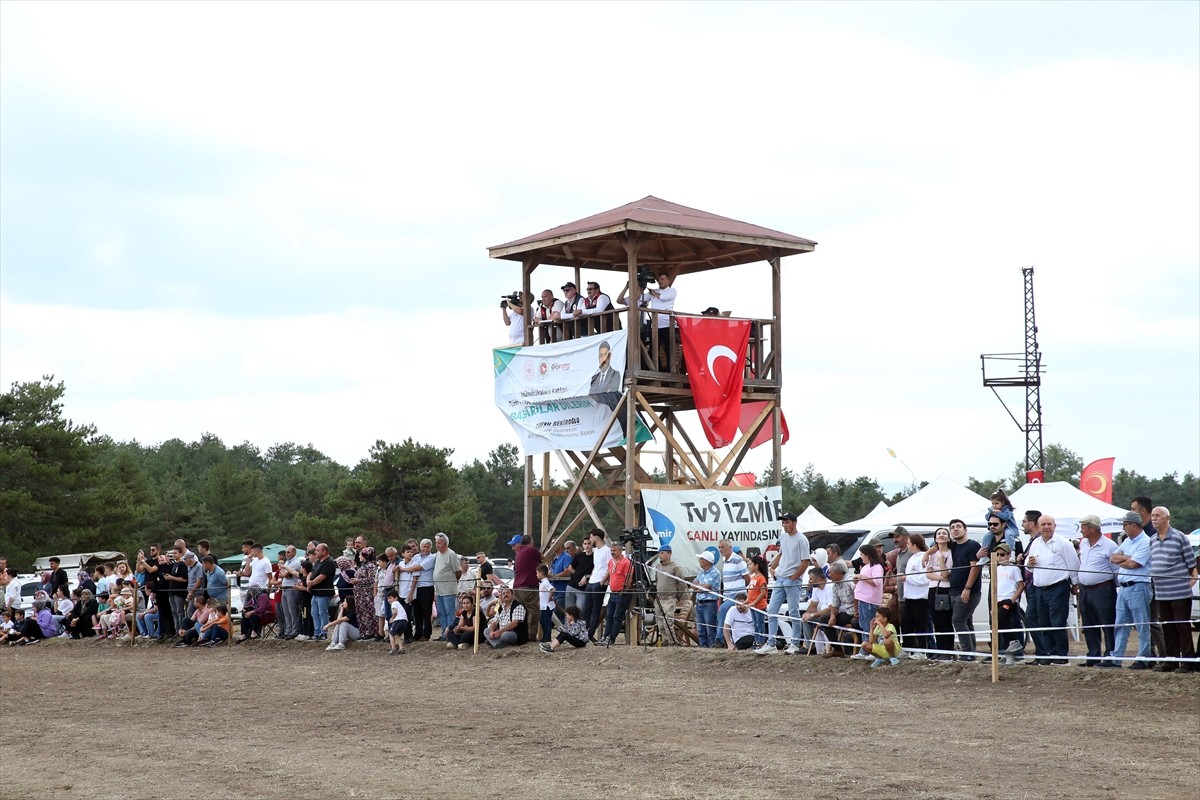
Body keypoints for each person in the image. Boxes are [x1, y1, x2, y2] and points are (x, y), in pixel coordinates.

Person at [1148, 506, 1197, 672]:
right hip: (1161, 592)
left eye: (1158, 516)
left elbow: (1192, 565)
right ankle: (1171, 660)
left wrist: (1188, 584)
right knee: (1167, 626)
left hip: (1179, 592)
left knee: (1182, 626)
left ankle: (1189, 661)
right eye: (1153, 515)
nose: (1154, 518)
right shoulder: (1152, 539)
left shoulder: (1179, 537)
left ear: (1167, 518)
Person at [1025, 514, 1079, 666]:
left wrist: (1075, 584)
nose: (1046, 527)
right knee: (1044, 622)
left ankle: (1061, 656)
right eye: (1043, 525)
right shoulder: (1036, 543)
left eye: (1049, 524)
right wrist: (1030, 562)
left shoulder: (1063, 543)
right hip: (1039, 589)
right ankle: (1049, 653)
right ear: (1039, 527)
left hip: (1058, 587)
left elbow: (1073, 565)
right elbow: (1028, 567)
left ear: (1055, 526)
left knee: (1057, 622)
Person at [755, 512, 811, 656]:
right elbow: (781, 553)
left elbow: (805, 562)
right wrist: (772, 566)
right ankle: (771, 643)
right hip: (780, 578)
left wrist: (794, 577)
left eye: (787, 522)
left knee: (793, 611)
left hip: (792, 580)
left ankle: (795, 643)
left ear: (794, 523)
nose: (785, 525)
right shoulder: (783, 537)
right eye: (783, 523)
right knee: (771, 610)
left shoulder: (802, 539)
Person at [1106, 511, 1154, 670]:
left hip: (1139, 586)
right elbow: (1113, 557)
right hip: (1124, 589)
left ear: (1134, 525)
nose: (1123, 527)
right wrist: (1128, 558)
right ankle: (1116, 658)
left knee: (1142, 625)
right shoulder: (1127, 541)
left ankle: (1143, 658)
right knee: (1120, 625)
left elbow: (1135, 564)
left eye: (1125, 524)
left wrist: (1126, 559)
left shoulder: (1146, 542)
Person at [1076, 514, 1118, 667]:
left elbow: (1116, 569)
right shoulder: (1083, 543)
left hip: (1103, 589)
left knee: (1107, 623)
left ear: (1093, 528)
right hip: (1085, 590)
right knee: (1088, 624)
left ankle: (1110, 656)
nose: (1081, 531)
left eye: (1084, 527)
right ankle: (1093, 656)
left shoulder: (1110, 545)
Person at [620, 270, 676, 370]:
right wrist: (637, 286)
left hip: (667, 325)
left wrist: (653, 292)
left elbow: (663, 298)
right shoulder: (653, 292)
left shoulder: (672, 291)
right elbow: (638, 299)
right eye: (659, 279)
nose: (660, 281)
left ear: (668, 280)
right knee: (653, 349)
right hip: (654, 325)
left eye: (662, 279)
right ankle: (656, 370)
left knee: (668, 349)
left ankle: (671, 371)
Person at [947, 518, 983, 662]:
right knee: (967, 622)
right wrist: (926, 553)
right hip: (954, 590)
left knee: (958, 621)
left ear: (965, 529)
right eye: (953, 527)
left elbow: (975, 567)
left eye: (958, 526)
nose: (955, 529)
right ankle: (971, 652)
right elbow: (938, 545)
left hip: (969, 591)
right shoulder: (954, 547)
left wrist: (967, 588)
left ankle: (967, 653)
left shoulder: (972, 545)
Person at [898, 533, 931, 660]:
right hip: (909, 596)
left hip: (920, 597)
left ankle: (922, 651)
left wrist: (907, 578)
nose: (907, 546)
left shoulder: (923, 557)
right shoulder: (912, 558)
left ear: (915, 545)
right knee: (906, 622)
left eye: (909, 543)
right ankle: (907, 649)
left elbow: (924, 578)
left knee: (920, 624)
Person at [992, 544, 1026, 664]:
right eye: (997, 555)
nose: (1000, 557)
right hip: (998, 600)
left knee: (1012, 623)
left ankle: (1016, 648)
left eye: (1002, 554)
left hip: (1010, 600)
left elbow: (1021, 585)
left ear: (1008, 555)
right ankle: (1007, 653)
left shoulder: (1014, 569)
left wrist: (1012, 600)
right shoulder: (996, 568)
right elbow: (995, 587)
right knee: (1000, 625)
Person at [925, 528, 954, 660]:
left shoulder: (951, 553)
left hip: (945, 589)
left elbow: (946, 574)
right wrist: (940, 577)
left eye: (944, 534)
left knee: (945, 621)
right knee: (936, 621)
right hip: (933, 589)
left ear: (948, 538)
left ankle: (948, 651)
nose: (941, 536)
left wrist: (941, 560)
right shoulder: (932, 554)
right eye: (938, 534)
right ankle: (940, 649)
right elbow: (928, 573)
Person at [653, 544, 689, 645]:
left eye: (663, 553)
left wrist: (678, 596)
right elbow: (657, 581)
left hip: (670, 599)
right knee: (660, 623)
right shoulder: (658, 567)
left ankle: (673, 642)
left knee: (668, 622)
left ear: (669, 554)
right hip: (659, 599)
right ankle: (665, 641)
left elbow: (681, 583)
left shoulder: (675, 568)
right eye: (660, 553)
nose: (660, 555)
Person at [511, 533, 543, 641]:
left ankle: (520, 634)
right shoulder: (531, 551)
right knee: (533, 610)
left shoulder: (519, 553)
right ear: (531, 542)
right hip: (527, 587)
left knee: (520, 610)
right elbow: (542, 558)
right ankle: (531, 636)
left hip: (517, 587)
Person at [852, 543, 885, 648]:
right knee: (863, 625)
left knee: (869, 626)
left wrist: (861, 577)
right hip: (862, 599)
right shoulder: (865, 567)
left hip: (870, 601)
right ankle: (866, 648)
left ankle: (872, 647)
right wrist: (857, 580)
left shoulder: (877, 567)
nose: (861, 557)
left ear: (868, 555)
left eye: (862, 554)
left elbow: (876, 582)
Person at [601, 542, 633, 646]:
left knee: (617, 616)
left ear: (620, 550)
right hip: (612, 592)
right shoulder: (611, 562)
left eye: (614, 550)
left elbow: (628, 579)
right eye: (611, 550)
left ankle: (612, 638)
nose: (612, 552)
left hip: (621, 593)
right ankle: (605, 636)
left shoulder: (626, 562)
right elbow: (610, 574)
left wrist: (624, 590)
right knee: (609, 616)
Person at [716, 539, 750, 636]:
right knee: (724, 614)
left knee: (723, 609)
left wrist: (740, 590)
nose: (720, 549)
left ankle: (720, 638)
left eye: (722, 547)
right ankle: (726, 638)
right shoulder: (724, 561)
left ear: (730, 548)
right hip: (727, 595)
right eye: (719, 547)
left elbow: (747, 578)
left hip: (737, 595)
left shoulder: (738, 560)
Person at [799, 568, 837, 655]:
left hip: (831, 615)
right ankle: (810, 646)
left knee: (820, 619)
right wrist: (806, 614)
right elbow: (813, 605)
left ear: (818, 579)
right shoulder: (816, 588)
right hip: (821, 614)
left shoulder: (830, 587)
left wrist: (812, 615)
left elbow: (831, 608)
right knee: (806, 619)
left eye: (811, 579)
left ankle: (826, 648)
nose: (810, 581)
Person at [431, 535, 461, 641]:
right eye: (436, 542)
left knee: (449, 611)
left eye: (439, 542)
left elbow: (458, 571)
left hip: (448, 589)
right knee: (441, 612)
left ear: (445, 543)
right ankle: (444, 633)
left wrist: (452, 581)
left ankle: (451, 633)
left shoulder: (451, 554)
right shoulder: (437, 555)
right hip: (439, 589)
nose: (437, 545)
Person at [305, 543, 337, 643]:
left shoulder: (329, 562)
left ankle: (323, 633)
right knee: (314, 613)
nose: (315, 552)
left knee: (322, 613)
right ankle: (317, 632)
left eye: (318, 550)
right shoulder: (318, 562)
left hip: (324, 592)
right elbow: (311, 573)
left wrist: (311, 584)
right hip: (315, 593)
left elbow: (322, 577)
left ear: (324, 551)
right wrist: (308, 581)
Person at [406, 539, 436, 641]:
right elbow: (412, 567)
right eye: (424, 547)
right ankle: (418, 632)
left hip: (427, 587)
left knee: (426, 612)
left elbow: (417, 568)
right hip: (416, 587)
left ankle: (427, 633)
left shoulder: (432, 557)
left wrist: (404, 569)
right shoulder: (416, 556)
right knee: (417, 612)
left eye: (428, 547)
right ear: (421, 547)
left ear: (430, 548)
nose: (425, 549)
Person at [584, 529, 611, 641]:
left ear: (596, 537)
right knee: (587, 609)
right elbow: (596, 566)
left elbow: (609, 567)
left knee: (596, 609)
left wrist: (602, 581)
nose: (590, 540)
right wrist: (590, 576)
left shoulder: (607, 550)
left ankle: (589, 634)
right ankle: (584, 631)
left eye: (591, 537)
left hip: (600, 582)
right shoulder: (596, 550)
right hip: (592, 580)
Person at [693, 551, 721, 649]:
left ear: (707, 561)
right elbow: (694, 585)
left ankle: (711, 648)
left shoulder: (715, 572)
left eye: (701, 559)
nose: (699, 561)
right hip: (700, 603)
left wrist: (699, 587)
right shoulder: (701, 572)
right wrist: (699, 587)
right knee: (701, 629)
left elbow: (706, 587)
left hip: (709, 603)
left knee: (710, 629)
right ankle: (703, 647)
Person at [277, 545, 304, 640]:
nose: (286, 554)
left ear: (294, 552)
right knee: (286, 612)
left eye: (288, 552)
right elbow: (281, 574)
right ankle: (288, 631)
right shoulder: (287, 562)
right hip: (284, 588)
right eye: (286, 552)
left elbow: (285, 574)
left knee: (292, 611)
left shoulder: (296, 562)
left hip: (291, 589)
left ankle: (294, 630)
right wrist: (285, 572)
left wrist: (285, 572)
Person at [745, 555, 769, 645]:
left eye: (751, 564)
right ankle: (757, 641)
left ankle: (761, 642)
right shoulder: (753, 577)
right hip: (753, 606)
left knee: (760, 624)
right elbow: (751, 593)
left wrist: (754, 602)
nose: (749, 566)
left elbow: (763, 593)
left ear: (756, 565)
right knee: (755, 624)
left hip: (759, 606)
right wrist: (747, 601)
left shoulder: (761, 578)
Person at [567, 537, 593, 614]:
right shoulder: (580, 555)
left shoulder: (595, 557)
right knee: (568, 612)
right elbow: (570, 567)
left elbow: (596, 571)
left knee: (580, 612)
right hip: (571, 585)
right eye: (585, 544)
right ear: (583, 545)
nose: (587, 545)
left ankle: (578, 626)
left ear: (592, 545)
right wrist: (577, 574)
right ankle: (568, 626)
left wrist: (587, 576)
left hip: (582, 588)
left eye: (589, 543)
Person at [548, 541, 575, 613]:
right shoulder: (554, 559)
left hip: (562, 591)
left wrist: (554, 576)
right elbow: (551, 572)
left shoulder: (566, 557)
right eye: (551, 543)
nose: (551, 545)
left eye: (553, 543)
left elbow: (568, 571)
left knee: (559, 613)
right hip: (554, 591)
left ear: (559, 545)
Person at [386, 590, 409, 655]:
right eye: (388, 598)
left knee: (391, 634)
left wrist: (392, 618)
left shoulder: (394, 603)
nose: (388, 600)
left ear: (396, 598)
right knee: (398, 635)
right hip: (404, 620)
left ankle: (393, 648)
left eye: (390, 598)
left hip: (398, 620)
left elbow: (395, 612)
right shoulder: (399, 604)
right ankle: (401, 648)